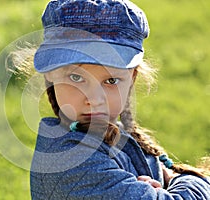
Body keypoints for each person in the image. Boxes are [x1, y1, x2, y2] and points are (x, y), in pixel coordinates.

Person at [27, 0, 210, 199]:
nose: (95, 99)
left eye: (111, 80)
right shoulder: (69, 162)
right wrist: (181, 179)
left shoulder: (115, 135)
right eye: (76, 78)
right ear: (50, 74)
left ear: (132, 78)